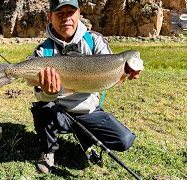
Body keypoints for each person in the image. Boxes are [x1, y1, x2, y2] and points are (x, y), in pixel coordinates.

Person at [30, 0, 142, 174]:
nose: (66, 18)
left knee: (125, 140)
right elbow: (38, 94)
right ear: (50, 17)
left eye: (70, 12)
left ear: (79, 14)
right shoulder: (41, 52)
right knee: (42, 108)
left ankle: (84, 134)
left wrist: (126, 72)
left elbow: (111, 65)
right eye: (60, 13)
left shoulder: (94, 41)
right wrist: (48, 93)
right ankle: (48, 150)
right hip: (58, 111)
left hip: (90, 111)